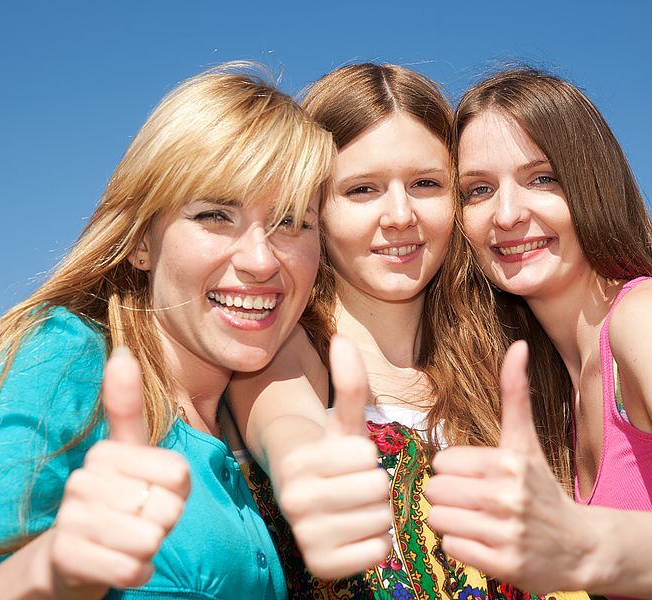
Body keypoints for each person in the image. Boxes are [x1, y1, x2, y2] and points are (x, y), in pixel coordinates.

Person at [227, 63, 591, 600]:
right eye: (362, 189)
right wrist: (301, 463)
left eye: (425, 184)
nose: (400, 215)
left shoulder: (507, 367)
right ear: (312, 208)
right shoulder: (284, 349)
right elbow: (283, 422)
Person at [0, 61, 335, 599]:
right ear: (142, 241)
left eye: (291, 221)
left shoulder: (239, 432)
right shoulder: (67, 355)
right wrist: (47, 572)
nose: (262, 260)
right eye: (216, 215)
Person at [425, 66, 652, 600]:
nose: (506, 214)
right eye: (478, 190)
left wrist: (586, 545)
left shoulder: (649, 319)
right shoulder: (553, 384)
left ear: (592, 182)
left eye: (541, 178)